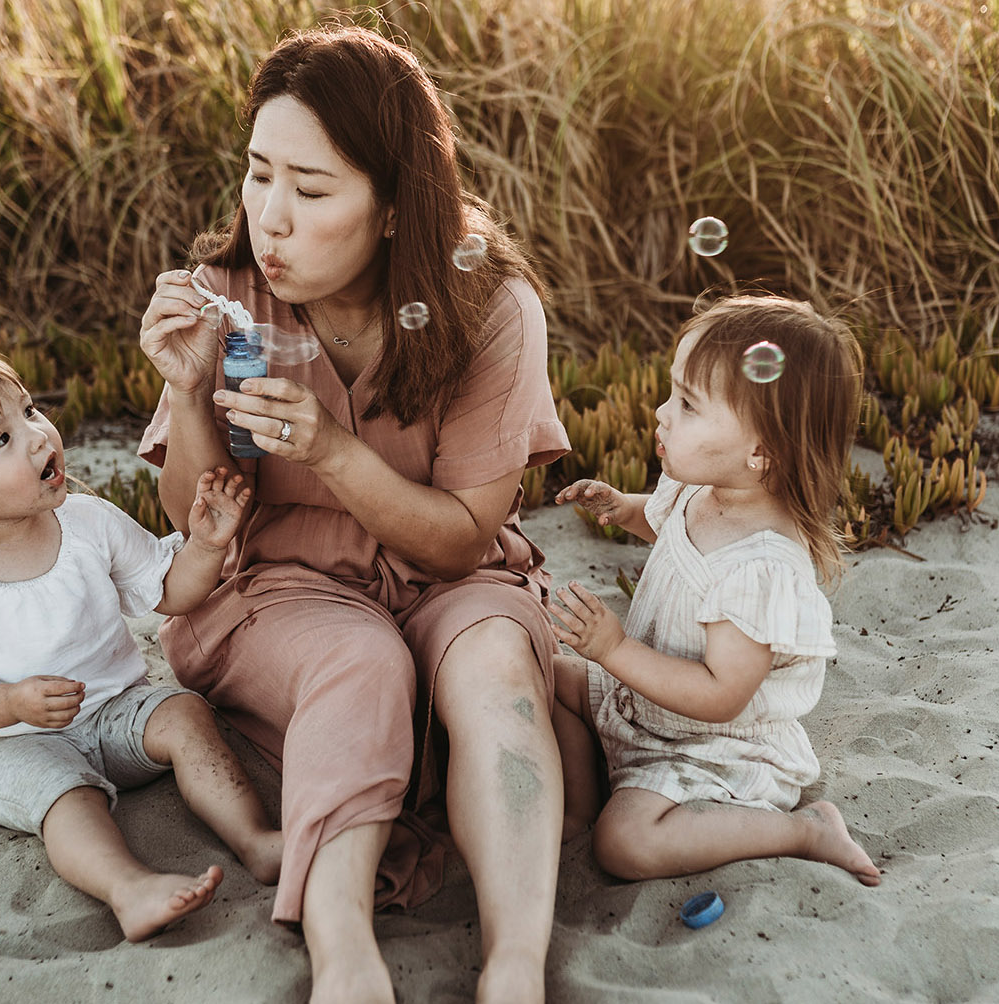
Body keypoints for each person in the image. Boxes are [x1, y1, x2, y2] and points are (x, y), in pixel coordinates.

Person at [135, 27, 569, 1004]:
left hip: (449, 572)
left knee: (496, 669)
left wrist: (331, 449)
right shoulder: (226, 296)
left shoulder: (489, 306)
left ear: (391, 207)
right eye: (256, 173)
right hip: (275, 584)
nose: (270, 217)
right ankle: (345, 958)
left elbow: (462, 533)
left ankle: (514, 967)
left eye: (313, 189)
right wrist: (193, 396)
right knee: (361, 658)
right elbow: (190, 517)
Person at [0, 349, 283, 943]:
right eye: (3, 439)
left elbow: (168, 593)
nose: (37, 438)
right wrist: (10, 704)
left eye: (30, 412)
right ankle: (128, 887)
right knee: (66, 794)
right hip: (1, 744)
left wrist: (207, 548)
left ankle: (255, 839)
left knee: (185, 713)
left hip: (110, 713)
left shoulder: (87, 522)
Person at [547, 295, 883, 887]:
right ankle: (579, 806)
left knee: (625, 844)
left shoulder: (761, 568)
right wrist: (622, 508)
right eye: (671, 393)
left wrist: (613, 649)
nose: (662, 413)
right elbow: (668, 531)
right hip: (642, 709)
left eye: (687, 405)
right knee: (547, 675)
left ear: (761, 452)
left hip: (709, 746)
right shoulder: (697, 489)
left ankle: (804, 830)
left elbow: (721, 694)